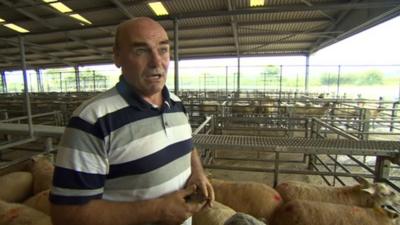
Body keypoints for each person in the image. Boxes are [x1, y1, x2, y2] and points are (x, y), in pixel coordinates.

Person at [49, 17, 214, 225]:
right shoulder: (92, 120)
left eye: (163, 50)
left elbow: (187, 146)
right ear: (117, 57)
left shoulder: (176, 104)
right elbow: (66, 216)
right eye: (141, 51)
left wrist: (198, 173)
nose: (156, 62)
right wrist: (158, 210)